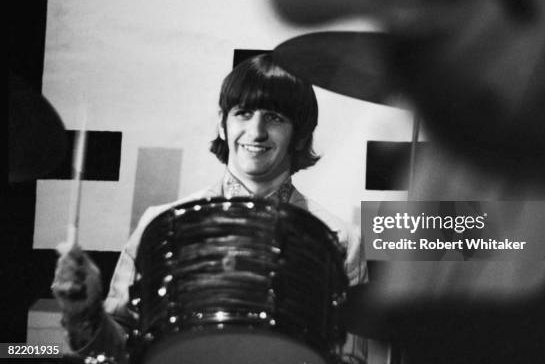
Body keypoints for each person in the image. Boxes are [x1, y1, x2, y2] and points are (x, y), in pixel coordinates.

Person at [52, 53, 367, 363]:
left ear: (300, 135)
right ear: (222, 125)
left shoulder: (339, 239)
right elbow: (114, 354)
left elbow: (351, 357)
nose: (256, 132)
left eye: (274, 117)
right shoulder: (159, 225)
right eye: (243, 113)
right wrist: (85, 313)